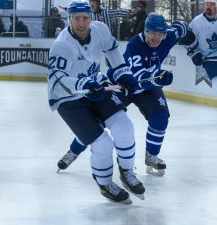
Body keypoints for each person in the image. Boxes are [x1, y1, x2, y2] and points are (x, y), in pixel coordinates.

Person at [57, 13, 199, 176]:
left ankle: (151, 155)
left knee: (160, 118)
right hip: (124, 84)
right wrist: (159, 79)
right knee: (98, 122)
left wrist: (193, 47)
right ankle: (73, 151)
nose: (156, 38)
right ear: (146, 31)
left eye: (160, 34)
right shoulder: (135, 45)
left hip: (150, 84)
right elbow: (138, 79)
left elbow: (182, 28)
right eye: (153, 33)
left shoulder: (169, 36)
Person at [48, 0, 145, 204]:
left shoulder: (100, 30)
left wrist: (123, 71)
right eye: (77, 19)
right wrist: (83, 82)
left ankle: (127, 172)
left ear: (91, 18)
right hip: (69, 98)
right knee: (102, 144)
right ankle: (104, 184)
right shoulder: (62, 45)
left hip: (95, 86)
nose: (81, 24)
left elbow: (113, 50)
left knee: (125, 127)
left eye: (85, 18)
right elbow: (57, 81)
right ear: (70, 20)